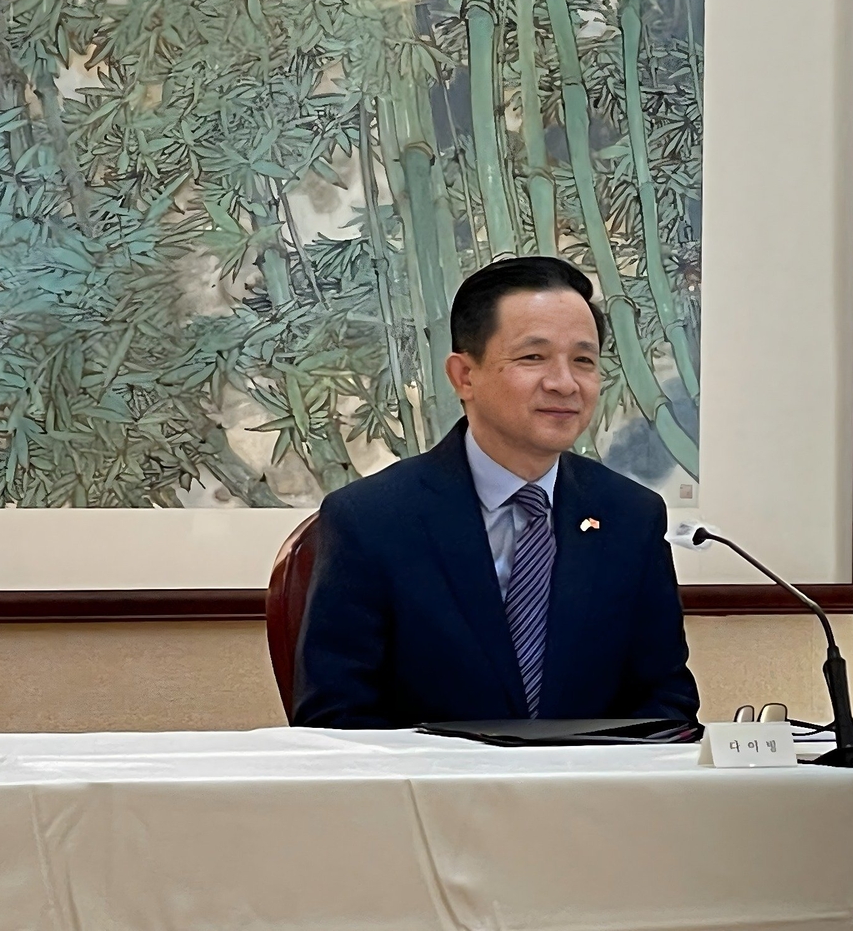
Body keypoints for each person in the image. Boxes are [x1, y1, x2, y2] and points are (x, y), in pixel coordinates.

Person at [291, 256, 700, 728]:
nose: (565, 383)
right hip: (431, 795)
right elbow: (336, 716)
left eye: (584, 361)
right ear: (465, 376)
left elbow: (665, 702)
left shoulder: (632, 516)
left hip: (588, 794)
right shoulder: (372, 518)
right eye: (533, 357)